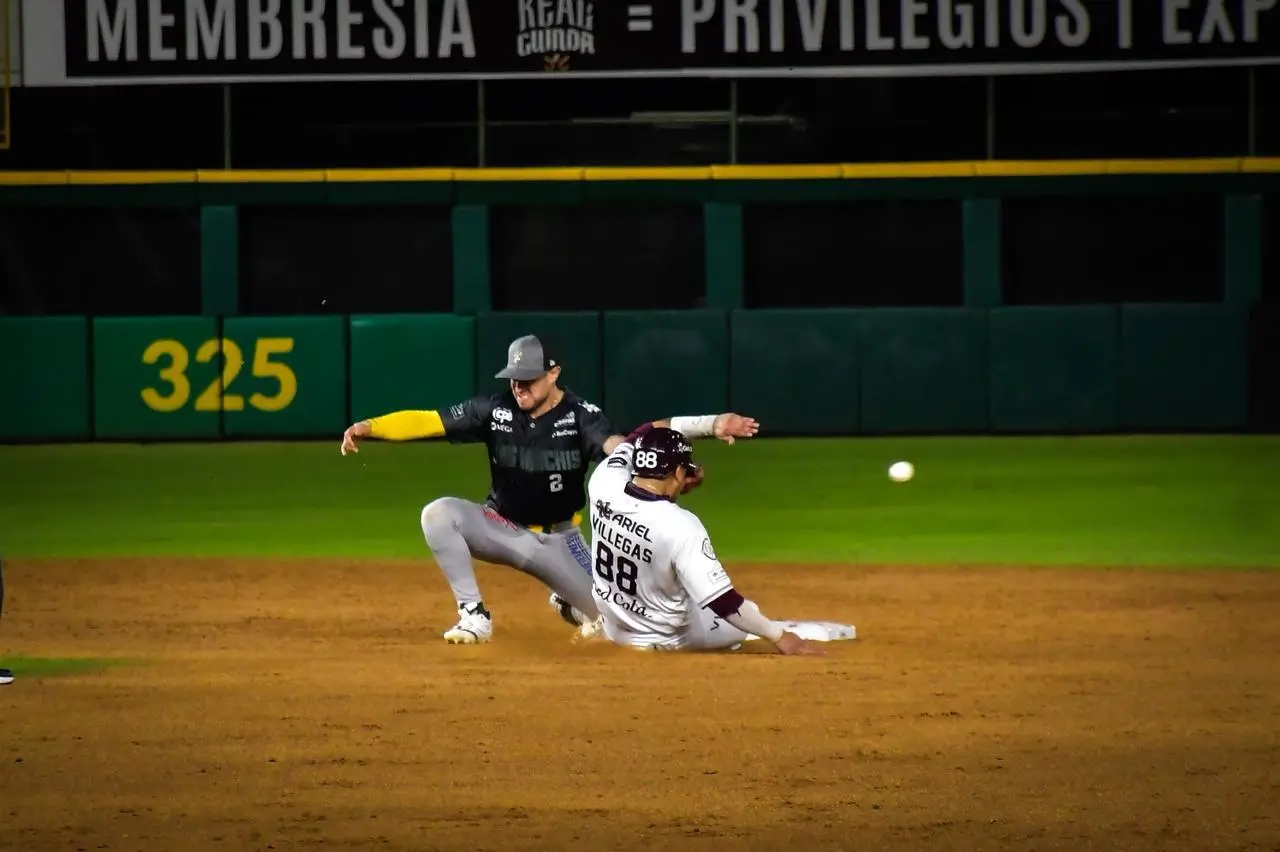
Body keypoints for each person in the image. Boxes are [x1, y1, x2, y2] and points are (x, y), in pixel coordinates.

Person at [340, 334, 759, 645]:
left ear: (554, 373)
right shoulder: (494, 408)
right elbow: (429, 420)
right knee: (438, 514)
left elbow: (624, 448)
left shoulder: (582, 416)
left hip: (560, 540)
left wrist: (682, 463)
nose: (520, 388)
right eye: (515, 380)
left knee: (620, 627)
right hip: (499, 526)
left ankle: (569, 602)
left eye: (529, 380)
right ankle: (473, 614)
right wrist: (369, 427)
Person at [584, 420, 857, 654]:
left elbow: (640, 432)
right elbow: (724, 602)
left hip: (616, 628)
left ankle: (577, 611)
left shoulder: (603, 480)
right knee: (746, 609)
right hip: (666, 641)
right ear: (678, 473)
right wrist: (781, 637)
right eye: (684, 471)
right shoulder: (680, 526)